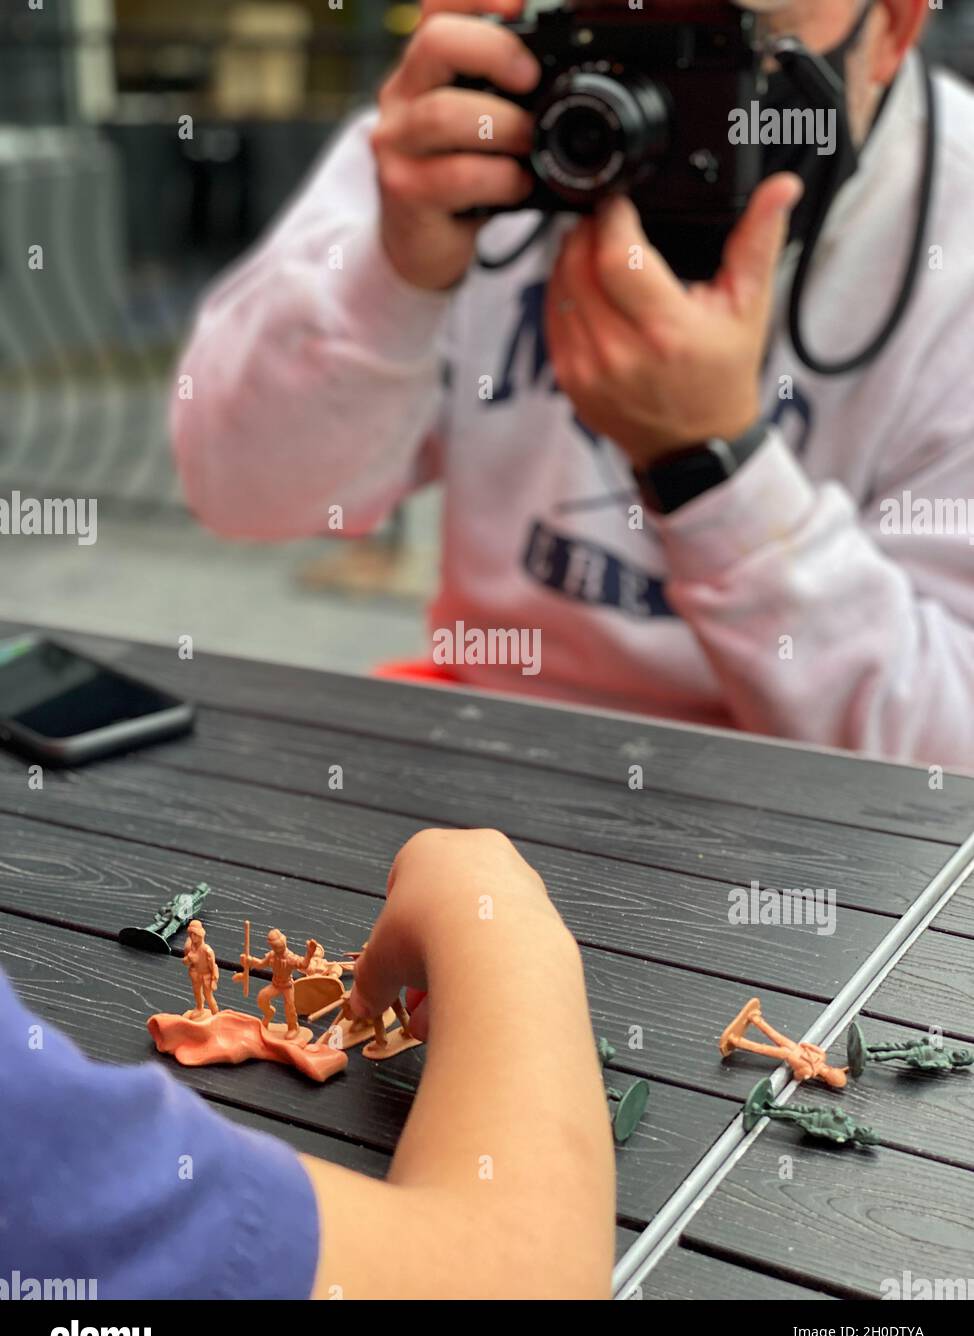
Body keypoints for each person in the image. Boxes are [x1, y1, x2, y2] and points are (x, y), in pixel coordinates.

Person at [171, 0, 974, 768]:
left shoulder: (953, 229)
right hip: (494, 728)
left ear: (894, 23)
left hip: (824, 811)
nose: (669, 54)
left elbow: (948, 757)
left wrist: (711, 466)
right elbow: (236, 492)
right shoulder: (484, 118)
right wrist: (393, 276)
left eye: (740, 24)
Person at [0, 830, 613, 1299]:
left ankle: (299, 1026)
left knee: (287, 1008)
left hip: (297, 1003)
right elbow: (517, 1273)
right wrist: (505, 922)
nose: (271, 950)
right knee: (274, 1006)